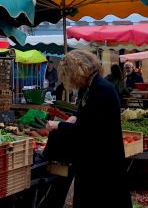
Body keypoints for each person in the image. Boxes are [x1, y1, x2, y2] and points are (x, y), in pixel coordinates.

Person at [45, 50, 132, 208]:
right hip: (94, 161)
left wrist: (59, 125)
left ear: (77, 72)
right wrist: (75, 118)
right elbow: (89, 117)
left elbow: (88, 130)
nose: (71, 82)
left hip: (102, 164)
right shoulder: (91, 87)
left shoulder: (101, 90)